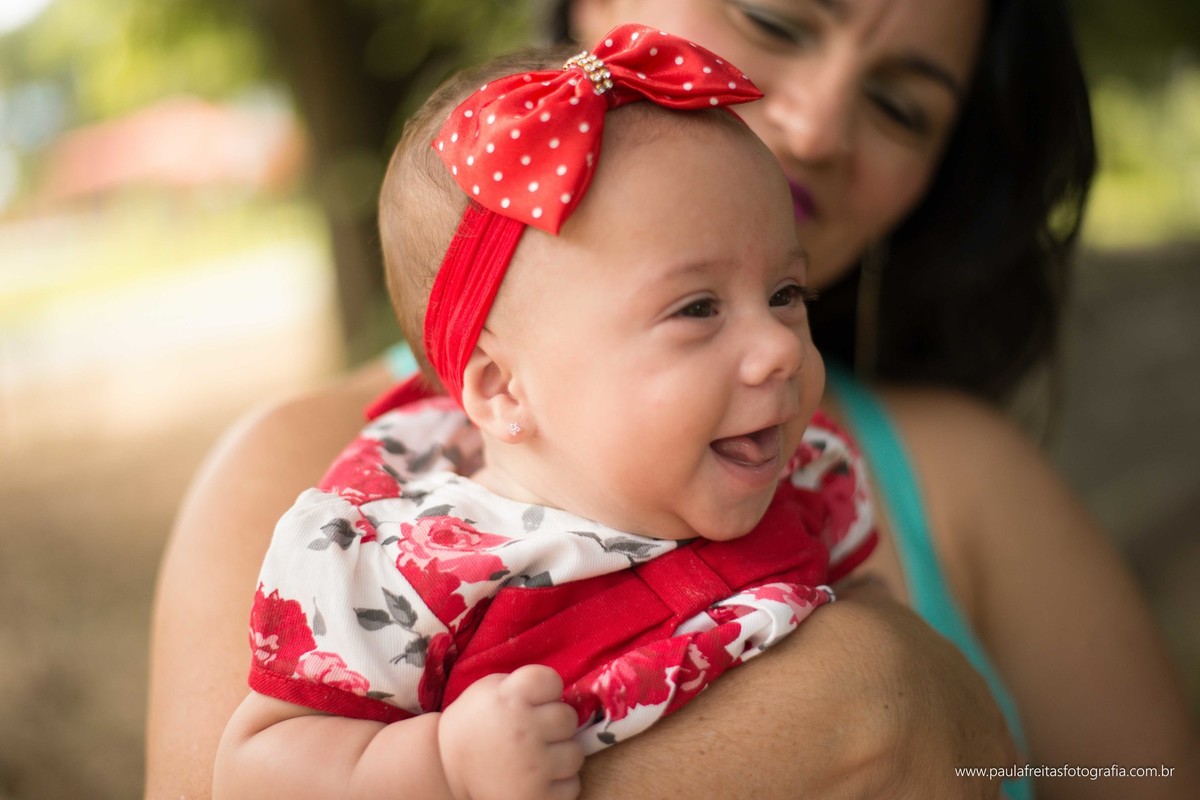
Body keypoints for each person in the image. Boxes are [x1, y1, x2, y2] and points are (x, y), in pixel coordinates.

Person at [147, 1, 1200, 798]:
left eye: (900, 103)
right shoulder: (381, 541)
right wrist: (439, 758)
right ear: (498, 389)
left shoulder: (844, 474)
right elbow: (267, 765)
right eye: (776, 17)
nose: (819, 123)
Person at [213, 28, 880, 799]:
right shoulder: (412, 571)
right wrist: (442, 763)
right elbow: (252, 770)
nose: (779, 349)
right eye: (697, 308)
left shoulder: (805, 474)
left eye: (785, 295)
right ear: (503, 389)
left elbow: (873, 644)